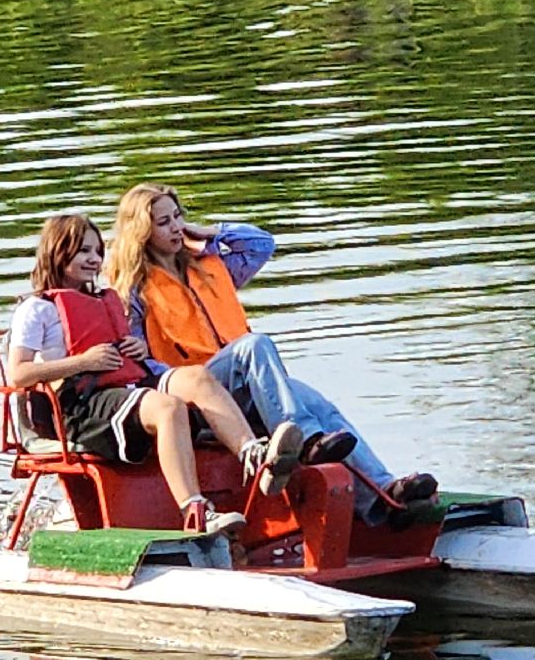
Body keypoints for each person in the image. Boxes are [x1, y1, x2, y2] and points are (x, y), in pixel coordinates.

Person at [104, 183, 436, 525]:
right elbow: (141, 364)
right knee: (256, 345)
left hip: (245, 382)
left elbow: (262, 244)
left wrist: (210, 231)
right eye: (163, 222)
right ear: (141, 231)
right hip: (198, 397)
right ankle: (305, 438)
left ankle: (383, 495)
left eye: (178, 217)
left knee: (317, 403)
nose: (175, 227)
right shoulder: (132, 289)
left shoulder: (208, 265)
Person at [7, 213, 303, 536]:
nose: (94, 260)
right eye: (83, 252)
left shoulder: (102, 299)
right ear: (57, 252)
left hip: (126, 385)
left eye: (96, 252)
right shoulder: (36, 309)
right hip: (82, 405)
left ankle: (255, 458)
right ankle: (195, 511)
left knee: (196, 378)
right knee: (168, 407)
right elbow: (18, 374)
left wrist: (136, 348)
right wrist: (82, 362)